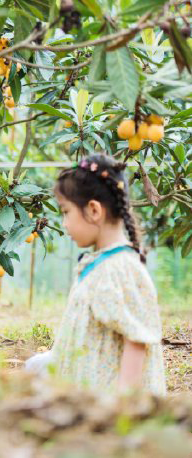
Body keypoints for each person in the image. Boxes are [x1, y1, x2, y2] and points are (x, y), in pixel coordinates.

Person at [27, 154, 165, 395]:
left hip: (111, 410)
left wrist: (121, 408)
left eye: (66, 211)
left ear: (93, 210)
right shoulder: (104, 264)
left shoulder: (119, 270)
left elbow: (136, 343)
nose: (64, 223)